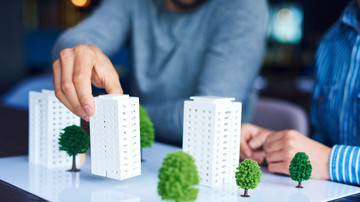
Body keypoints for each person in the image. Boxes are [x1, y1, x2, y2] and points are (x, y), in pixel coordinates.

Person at [52, 0, 268, 144]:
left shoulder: (244, 6)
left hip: (210, 158)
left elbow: (209, 118)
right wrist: (78, 51)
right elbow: (75, 40)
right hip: (137, 145)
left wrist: (118, 116)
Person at [240, 0, 360, 186]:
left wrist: (330, 161)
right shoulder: (332, 41)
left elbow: (325, 158)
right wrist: (278, 147)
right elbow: (323, 145)